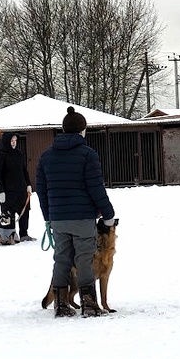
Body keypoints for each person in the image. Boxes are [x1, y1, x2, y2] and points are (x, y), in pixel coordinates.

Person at [35, 106, 117, 318]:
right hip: (83, 218)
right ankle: (89, 304)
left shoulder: (46, 157)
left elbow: (42, 192)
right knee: (84, 258)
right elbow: (96, 188)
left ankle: (61, 305)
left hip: (58, 219)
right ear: (82, 131)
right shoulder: (87, 155)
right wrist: (108, 214)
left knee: (61, 259)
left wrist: (48, 217)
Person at [0, 131, 34, 241]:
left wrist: (28, 184)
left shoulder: (19, 154)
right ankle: (8, 236)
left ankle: (24, 234)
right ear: (7, 141)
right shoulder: (0, 156)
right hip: (8, 192)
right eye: (12, 141)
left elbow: (24, 171)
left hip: (21, 190)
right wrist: (0, 191)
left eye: (15, 141)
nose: (14, 143)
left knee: (24, 212)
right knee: (8, 214)